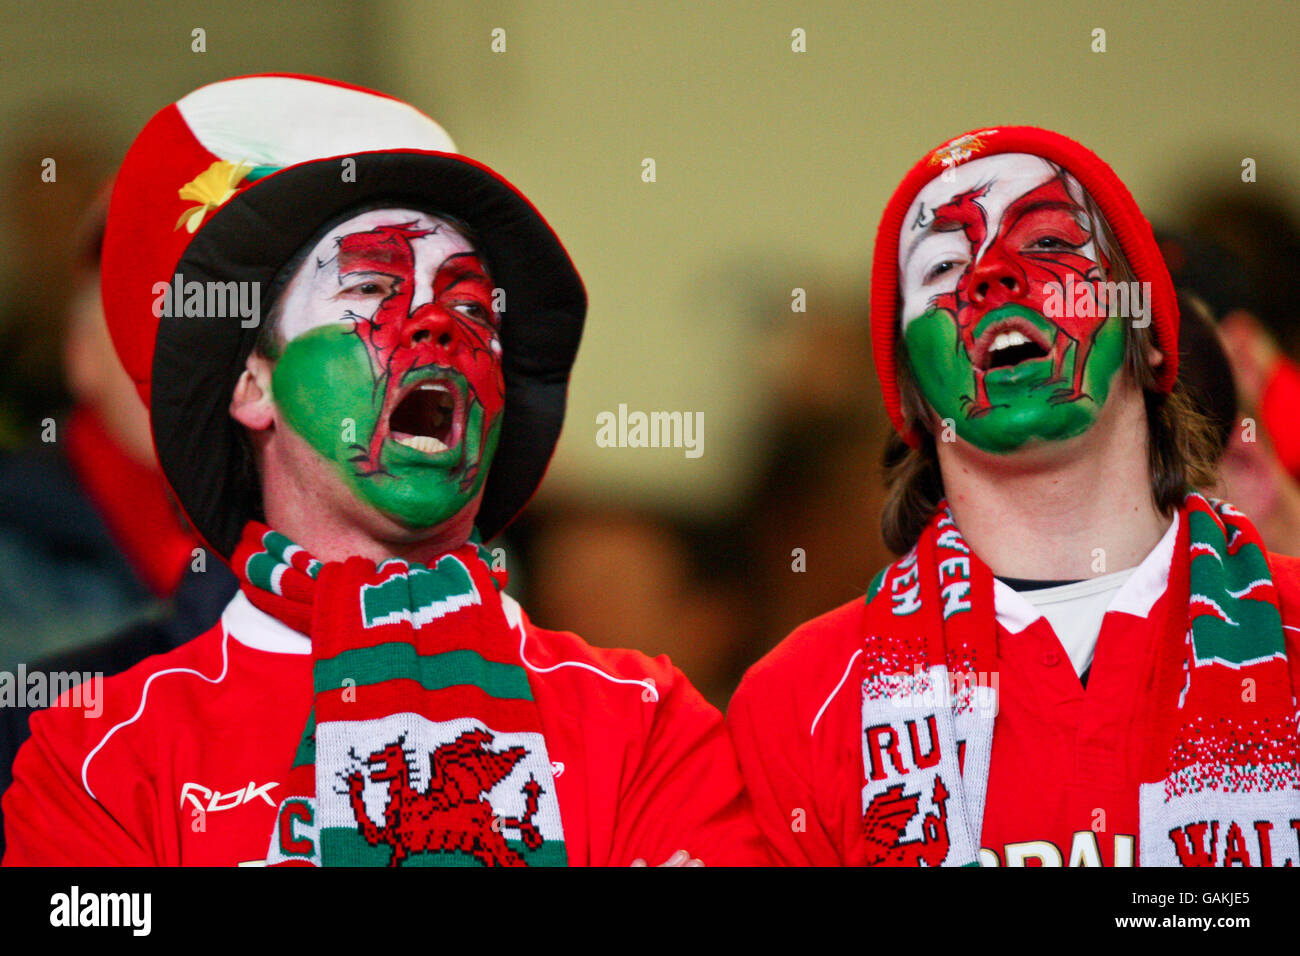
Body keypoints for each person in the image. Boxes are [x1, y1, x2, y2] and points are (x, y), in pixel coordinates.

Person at [3, 74, 763, 867]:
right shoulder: (98, 755)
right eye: (368, 289)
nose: (436, 325)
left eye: (472, 309)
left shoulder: (645, 723)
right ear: (252, 384)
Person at [728, 126, 1300, 867]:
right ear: (910, 389)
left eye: (1051, 246)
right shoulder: (798, 702)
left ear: (1152, 336)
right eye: (942, 265)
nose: (993, 278)